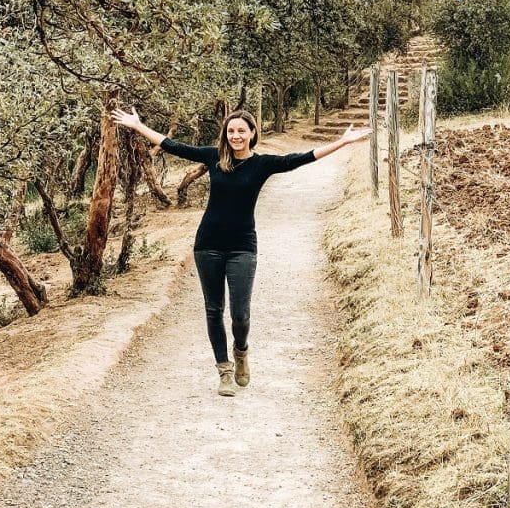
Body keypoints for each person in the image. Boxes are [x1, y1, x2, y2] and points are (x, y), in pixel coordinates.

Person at [110, 106, 371, 397]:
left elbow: (302, 158)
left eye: (241, 131)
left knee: (241, 314)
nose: (235, 136)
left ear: (252, 134)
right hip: (207, 244)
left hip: (242, 247)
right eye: (231, 131)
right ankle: (223, 370)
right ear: (226, 134)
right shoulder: (213, 157)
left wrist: (343, 142)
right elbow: (173, 146)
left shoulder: (262, 164)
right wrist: (137, 124)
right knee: (213, 310)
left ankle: (241, 352)